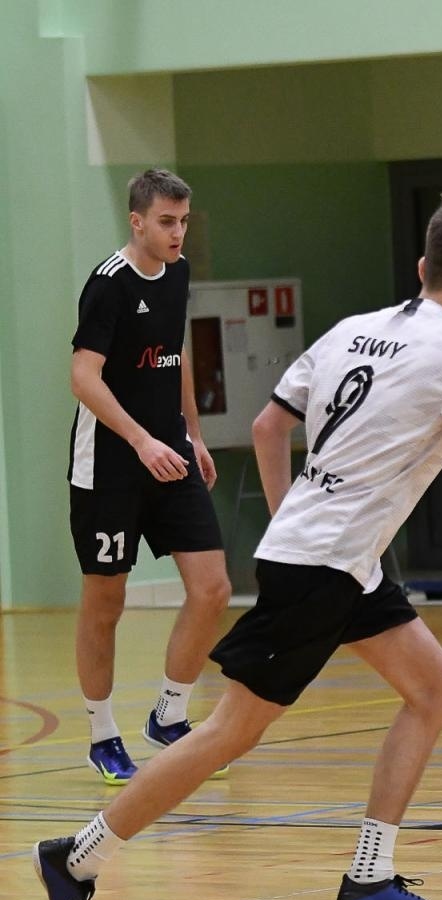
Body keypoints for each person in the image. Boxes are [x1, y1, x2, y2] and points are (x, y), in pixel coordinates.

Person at [35, 194, 442, 900]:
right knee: (227, 735)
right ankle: (77, 857)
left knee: (434, 688)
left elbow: (268, 424)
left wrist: (288, 521)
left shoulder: (355, 330)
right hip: (324, 563)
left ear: (421, 268)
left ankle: (370, 873)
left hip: (339, 559)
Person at [68, 168, 232, 784]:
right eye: (167, 221)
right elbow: (84, 377)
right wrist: (139, 441)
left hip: (169, 452)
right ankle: (102, 734)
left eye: (184, 221)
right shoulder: (107, 285)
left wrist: (191, 432)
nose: (177, 233)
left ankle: (169, 715)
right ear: (137, 220)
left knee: (212, 587)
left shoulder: (179, 273)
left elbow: (173, 350)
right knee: (105, 600)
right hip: (110, 465)